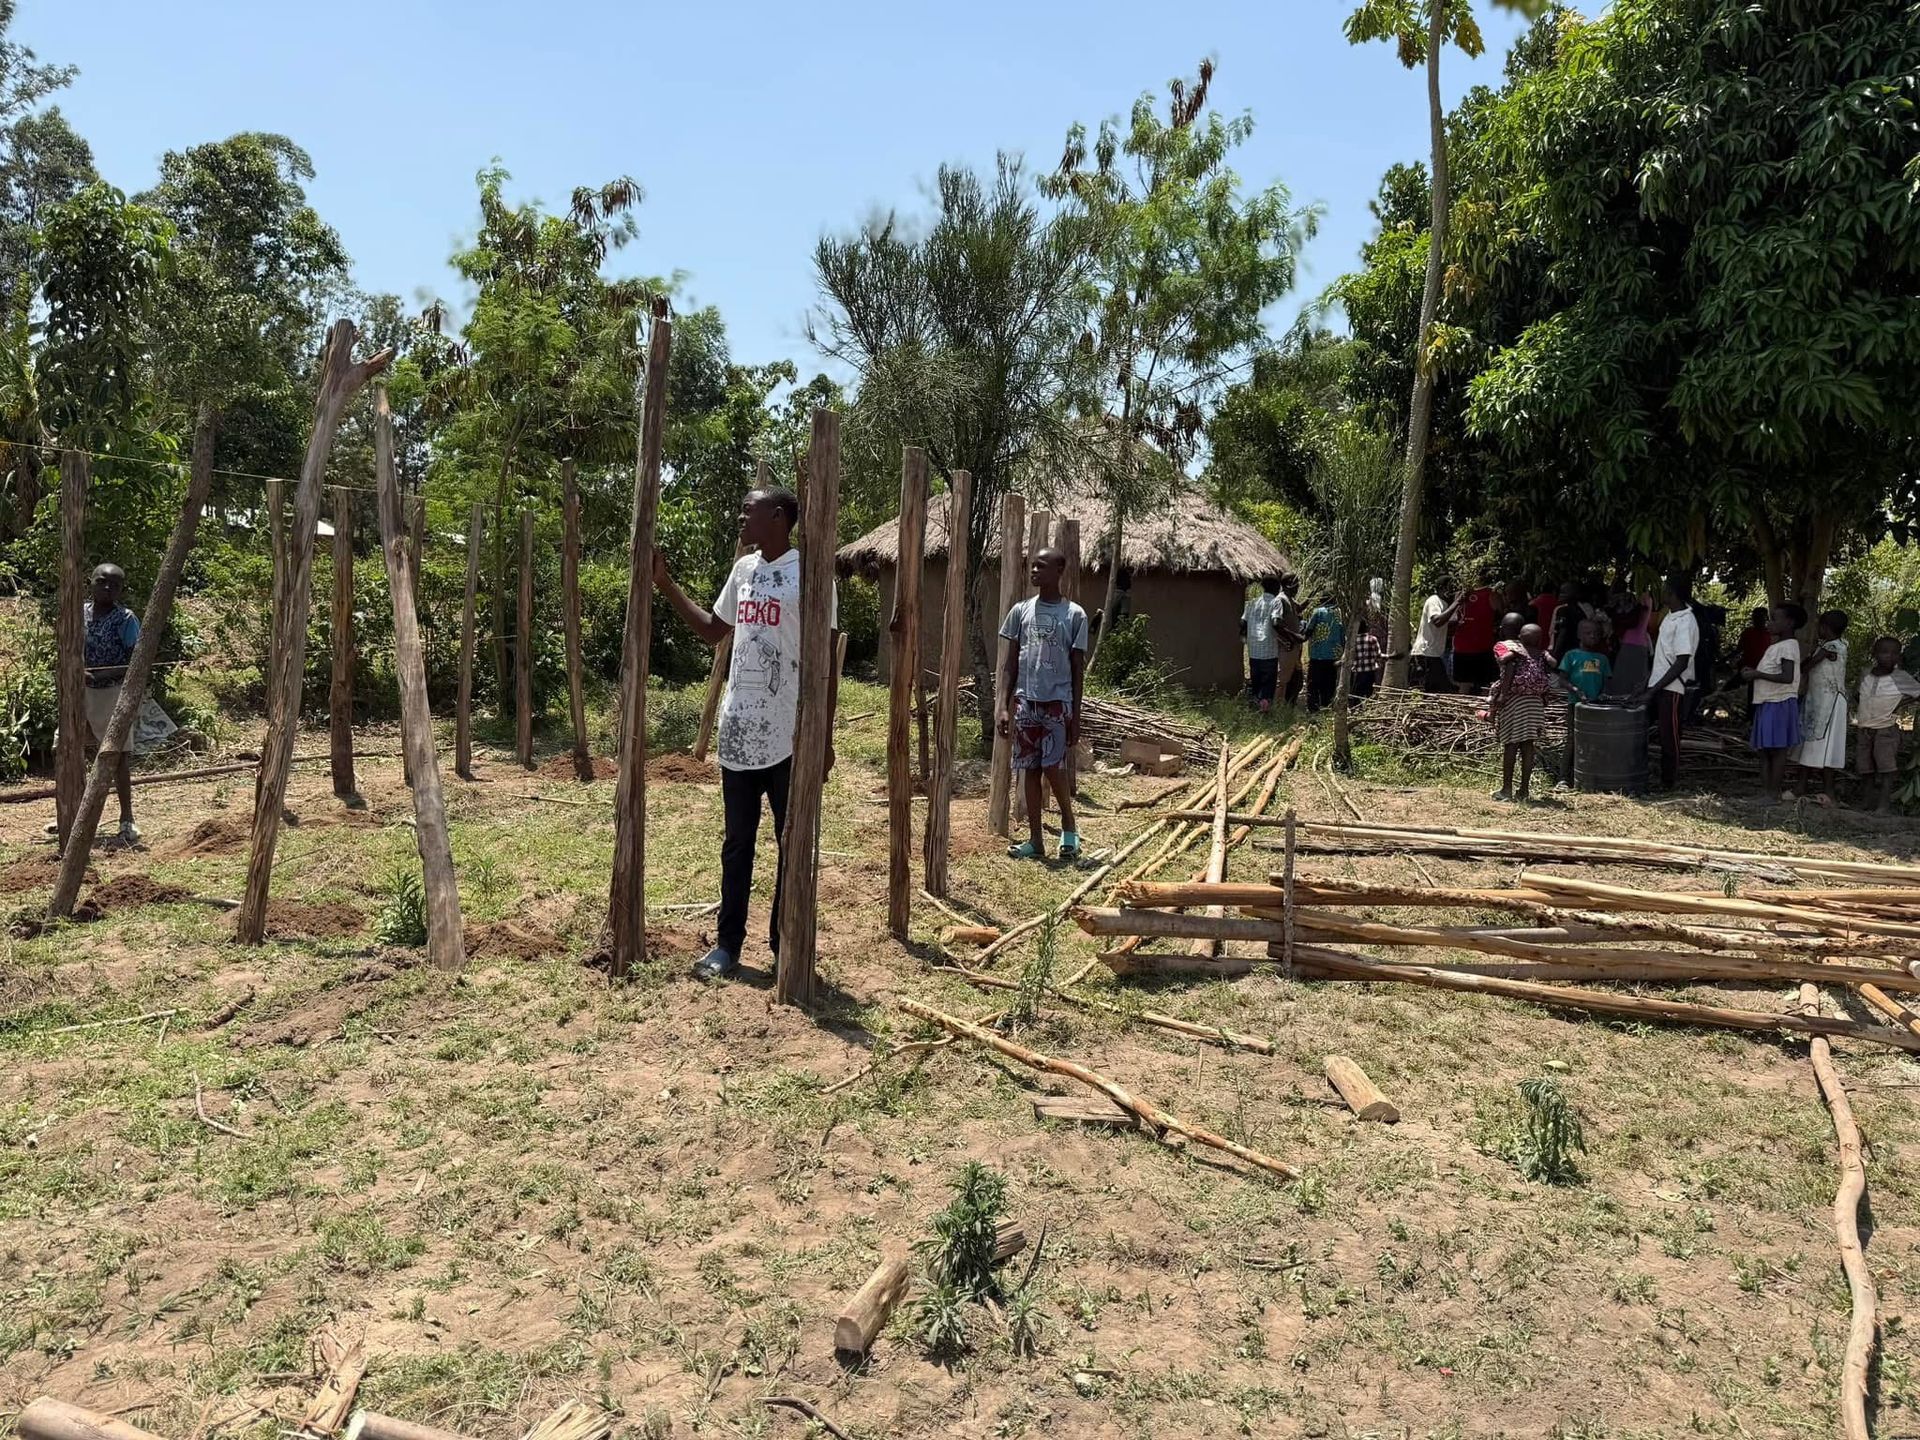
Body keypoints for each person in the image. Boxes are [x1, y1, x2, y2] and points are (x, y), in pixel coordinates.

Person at [652, 487, 838, 981]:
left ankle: (785, 942)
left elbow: (826, 661)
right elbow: (715, 631)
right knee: (737, 843)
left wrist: (824, 736)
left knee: (790, 839)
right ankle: (727, 945)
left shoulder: (811, 575)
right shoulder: (744, 571)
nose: (740, 516)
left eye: (748, 510)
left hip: (789, 733)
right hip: (738, 729)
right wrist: (666, 584)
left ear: (777, 517)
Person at [999, 547, 1088, 862]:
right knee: (1030, 771)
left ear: (1059, 571)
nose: (1034, 571)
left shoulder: (1074, 615)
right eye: (1032, 566)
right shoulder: (1020, 611)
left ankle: (1068, 824)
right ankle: (1035, 840)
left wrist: (1075, 715)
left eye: (1041, 566)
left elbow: (1078, 670)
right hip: (1026, 702)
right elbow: (1010, 663)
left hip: (1057, 704)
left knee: (1052, 766)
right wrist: (1004, 705)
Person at [83, 563, 140, 845]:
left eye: (115, 585)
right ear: (91, 582)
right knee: (68, 749)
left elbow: (137, 663)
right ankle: (73, 813)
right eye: (103, 582)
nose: (108, 588)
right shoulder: (79, 613)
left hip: (112, 692)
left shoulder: (125, 619)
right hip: (79, 692)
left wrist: (102, 673)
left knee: (117, 757)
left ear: (121, 590)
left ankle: (126, 819)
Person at [1634, 573, 1699, 790]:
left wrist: (1654, 690)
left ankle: (1668, 782)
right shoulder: (1671, 616)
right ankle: (1645, 773)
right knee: (1642, 728)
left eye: (1663, 589)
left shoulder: (1685, 621)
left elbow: (1681, 661)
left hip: (1672, 688)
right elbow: (1663, 657)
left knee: (1669, 736)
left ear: (1672, 592)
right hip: (1659, 684)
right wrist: (1646, 683)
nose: (1659, 592)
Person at [1743, 604, 1803, 801]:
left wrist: (1758, 674)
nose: (1769, 623)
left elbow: (1787, 677)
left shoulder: (1788, 646)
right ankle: (1767, 791)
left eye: (1774, 619)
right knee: (1765, 750)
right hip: (1768, 701)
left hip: (1779, 702)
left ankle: (1772, 793)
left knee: (1776, 750)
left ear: (1789, 623)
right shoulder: (1777, 646)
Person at [1856, 636, 1920, 814]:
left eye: (1894, 653)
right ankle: (1866, 801)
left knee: (1886, 767)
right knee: (1865, 767)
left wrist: (1901, 704)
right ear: (1874, 653)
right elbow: (1858, 695)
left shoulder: (1901, 677)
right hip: (1864, 728)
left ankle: (1883, 805)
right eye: (1884, 652)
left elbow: (1917, 693)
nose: (1889, 657)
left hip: (1886, 729)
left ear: (1899, 657)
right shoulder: (1866, 674)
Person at [1492, 623, 1554, 802]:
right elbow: (1551, 667)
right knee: (1528, 746)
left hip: (1516, 702)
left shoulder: (1517, 651)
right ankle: (1524, 791)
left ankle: (1506, 790)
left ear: (1520, 636)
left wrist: (1502, 695)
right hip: (1535, 703)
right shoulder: (1540, 654)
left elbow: (1507, 665)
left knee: (1511, 744)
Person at [1793, 610, 1850, 803]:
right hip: (1816, 702)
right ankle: (1803, 787)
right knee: (1809, 742)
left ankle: (1827, 792)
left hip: (1830, 703)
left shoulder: (1832, 647)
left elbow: (1808, 666)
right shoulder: (1826, 646)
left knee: (1825, 746)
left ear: (1825, 628)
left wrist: (1800, 664)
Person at [1554, 617, 1612, 788]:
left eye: (1596, 634)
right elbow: (1561, 680)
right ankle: (1563, 778)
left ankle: (1591, 777)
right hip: (1576, 706)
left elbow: (1607, 684)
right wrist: (1575, 690)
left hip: (1597, 707)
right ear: (1579, 635)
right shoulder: (1571, 655)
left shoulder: (1602, 659)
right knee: (1572, 740)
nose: (1593, 636)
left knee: (1595, 741)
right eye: (1588, 633)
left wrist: (1603, 695)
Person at [1240, 577, 1284, 714]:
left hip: (1254, 649)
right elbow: (1276, 622)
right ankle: (1265, 709)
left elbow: (1242, 623)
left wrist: (1246, 635)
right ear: (1276, 588)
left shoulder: (1252, 603)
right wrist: (1286, 636)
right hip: (1269, 649)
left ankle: (1256, 705)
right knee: (1268, 681)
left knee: (1256, 679)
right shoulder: (1276, 602)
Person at [1410, 583, 1464, 693]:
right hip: (1427, 653)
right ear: (1442, 588)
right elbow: (1437, 621)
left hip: (1435, 653)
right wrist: (1457, 602)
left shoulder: (1444, 604)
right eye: (1450, 589)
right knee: (1440, 688)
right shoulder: (1434, 600)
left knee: (1434, 689)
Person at [1452, 577, 1499, 692]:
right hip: (1473, 646)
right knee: (1481, 685)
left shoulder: (1491, 594)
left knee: (1474, 684)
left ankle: (1470, 708)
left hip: (1477, 646)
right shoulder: (1461, 595)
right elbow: (1501, 613)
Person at [1303, 598, 1345, 713]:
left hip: (1318, 655)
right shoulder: (1340, 613)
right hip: (1334, 655)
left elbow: (1309, 630)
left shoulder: (1318, 612)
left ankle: (1313, 708)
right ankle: (1326, 706)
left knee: (1314, 683)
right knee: (1329, 683)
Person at [1607, 590, 1651, 696]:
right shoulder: (1642, 599)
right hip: (1635, 646)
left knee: (1625, 684)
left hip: (1632, 647)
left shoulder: (1643, 598)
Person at [1275, 573, 1307, 707]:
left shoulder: (1289, 599)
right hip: (1286, 646)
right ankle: (1277, 708)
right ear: (1289, 585)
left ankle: (1288, 705)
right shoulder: (1281, 600)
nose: (1298, 588)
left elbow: (1298, 608)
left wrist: (1311, 598)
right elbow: (1276, 623)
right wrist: (1294, 636)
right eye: (1296, 585)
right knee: (1282, 680)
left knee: (1297, 679)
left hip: (1294, 648)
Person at [1350, 620, 1384, 700]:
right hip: (1370, 671)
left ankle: (1356, 709)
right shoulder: (1372, 639)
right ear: (1366, 627)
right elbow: (1378, 655)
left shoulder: (1352, 641)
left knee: (1357, 694)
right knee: (1368, 693)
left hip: (1357, 672)